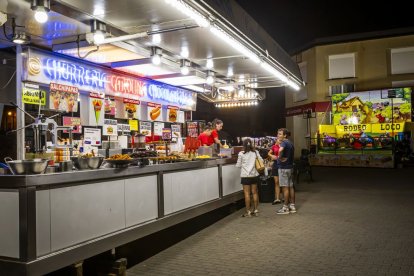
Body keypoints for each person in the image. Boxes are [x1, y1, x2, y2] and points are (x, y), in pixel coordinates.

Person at [236, 138, 263, 217]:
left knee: (247, 194)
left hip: (245, 176)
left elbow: (238, 165)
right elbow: (260, 160)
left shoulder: (241, 153)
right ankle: (256, 210)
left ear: (243, 144)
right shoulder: (255, 152)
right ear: (251, 144)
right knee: (255, 192)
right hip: (254, 175)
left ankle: (248, 211)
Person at [276, 128, 296, 215]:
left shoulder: (284, 142)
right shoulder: (290, 143)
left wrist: (279, 157)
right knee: (291, 187)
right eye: (278, 134)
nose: (278, 135)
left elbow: (280, 150)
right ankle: (292, 206)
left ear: (285, 135)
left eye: (280, 134)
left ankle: (285, 208)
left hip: (284, 168)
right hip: (290, 167)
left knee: (285, 188)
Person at [268, 138, 282, 205]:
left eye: (281, 140)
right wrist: (272, 155)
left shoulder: (284, 146)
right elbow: (269, 153)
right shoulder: (274, 146)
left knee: (283, 182)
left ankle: (285, 197)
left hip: (282, 165)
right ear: (276, 141)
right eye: (278, 140)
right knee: (276, 182)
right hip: (276, 165)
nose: (279, 141)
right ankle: (277, 198)